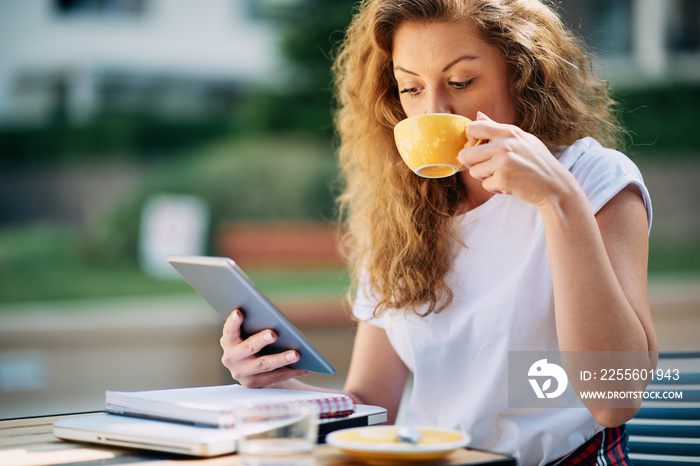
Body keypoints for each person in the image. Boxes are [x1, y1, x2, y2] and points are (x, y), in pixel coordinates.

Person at [220, 0, 658, 464]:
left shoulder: (593, 180)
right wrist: (276, 381)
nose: (434, 110)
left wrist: (557, 199)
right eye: (411, 88)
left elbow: (615, 399)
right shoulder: (400, 213)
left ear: (521, 73)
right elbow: (373, 403)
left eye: (461, 82)